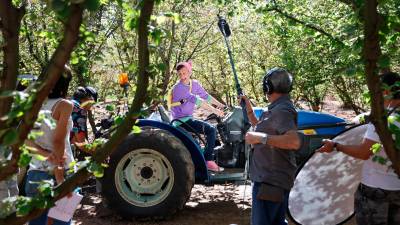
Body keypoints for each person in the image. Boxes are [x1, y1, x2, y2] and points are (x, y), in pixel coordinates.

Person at [318, 71, 400, 225]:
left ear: (386, 92)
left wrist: (336, 146)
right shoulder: (395, 118)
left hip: (377, 191)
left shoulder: (382, 122)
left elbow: (364, 152)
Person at [241, 67, 301, 225]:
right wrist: (248, 107)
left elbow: (293, 141)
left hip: (270, 181)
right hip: (271, 179)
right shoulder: (277, 107)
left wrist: (259, 138)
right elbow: (261, 127)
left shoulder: (282, 110)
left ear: (268, 87)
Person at [25, 68, 75, 225]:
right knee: (61, 221)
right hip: (58, 172)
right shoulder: (64, 105)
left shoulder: (33, 105)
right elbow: (58, 141)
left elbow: (25, 141)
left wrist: (45, 154)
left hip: (34, 174)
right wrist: (58, 173)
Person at [168, 60, 226, 172]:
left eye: (184, 73)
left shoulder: (194, 84)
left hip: (189, 118)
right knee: (211, 130)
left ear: (190, 72)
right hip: (180, 121)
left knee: (211, 130)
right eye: (180, 74)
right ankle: (208, 160)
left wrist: (221, 105)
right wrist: (215, 111)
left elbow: (205, 96)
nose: (182, 76)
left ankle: (208, 156)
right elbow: (198, 101)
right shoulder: (179, 88)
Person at [70, 86, 98, 155]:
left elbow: (74, 136)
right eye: (92, 104)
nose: (91, 107)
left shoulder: (70, 103)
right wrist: (98, 154)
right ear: (89, 99)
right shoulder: (80, 110)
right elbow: (81, 143)